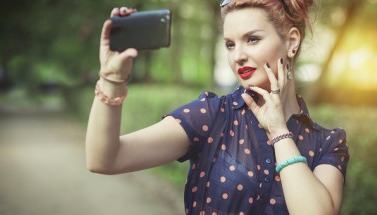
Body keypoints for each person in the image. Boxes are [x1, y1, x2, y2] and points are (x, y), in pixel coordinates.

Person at [86, 0, 350, 214]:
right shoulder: (212, 115)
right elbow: (105, 159)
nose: (238, 56)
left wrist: (279, 132)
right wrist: (112, 78)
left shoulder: (327, 143)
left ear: (292, 42)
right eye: (230, 44)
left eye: (253, 39)